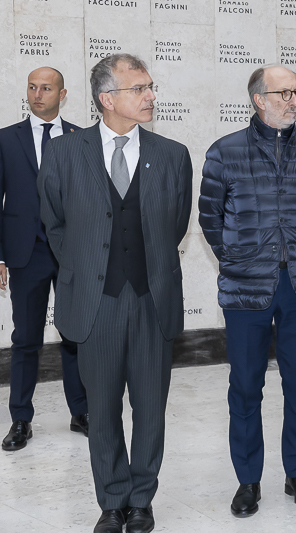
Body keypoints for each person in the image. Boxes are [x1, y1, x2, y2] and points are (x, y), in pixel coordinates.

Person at [38, 54, 192, 533]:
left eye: (150, 87)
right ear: (107, 99)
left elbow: (177, 222)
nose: (150, 96)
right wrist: (87, 269)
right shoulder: (64, 153)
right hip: (93, 303)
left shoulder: (172, 155)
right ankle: (111, 499)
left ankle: (141, 498)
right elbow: (55, 224)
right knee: (100, 410)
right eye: (139, 88)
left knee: (150, 407)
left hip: (152, 299)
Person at [199, 65, 296, 516]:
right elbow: (209, 218)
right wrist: (238, 258)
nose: (294, 99)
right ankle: (248, 480)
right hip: (244, 289)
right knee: (245, 386)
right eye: (285, 92)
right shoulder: (225, 152)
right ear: (259, 99)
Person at [0, 67, 87, 451]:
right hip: (25, 252)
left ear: (62, 93)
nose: (38, 94)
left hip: (70, 252)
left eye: (46, 88)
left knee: (74, 335)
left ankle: (80, 411)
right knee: (25, 339)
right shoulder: (5, 140)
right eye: (32, 87)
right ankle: (20, 418)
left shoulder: (82, 139)